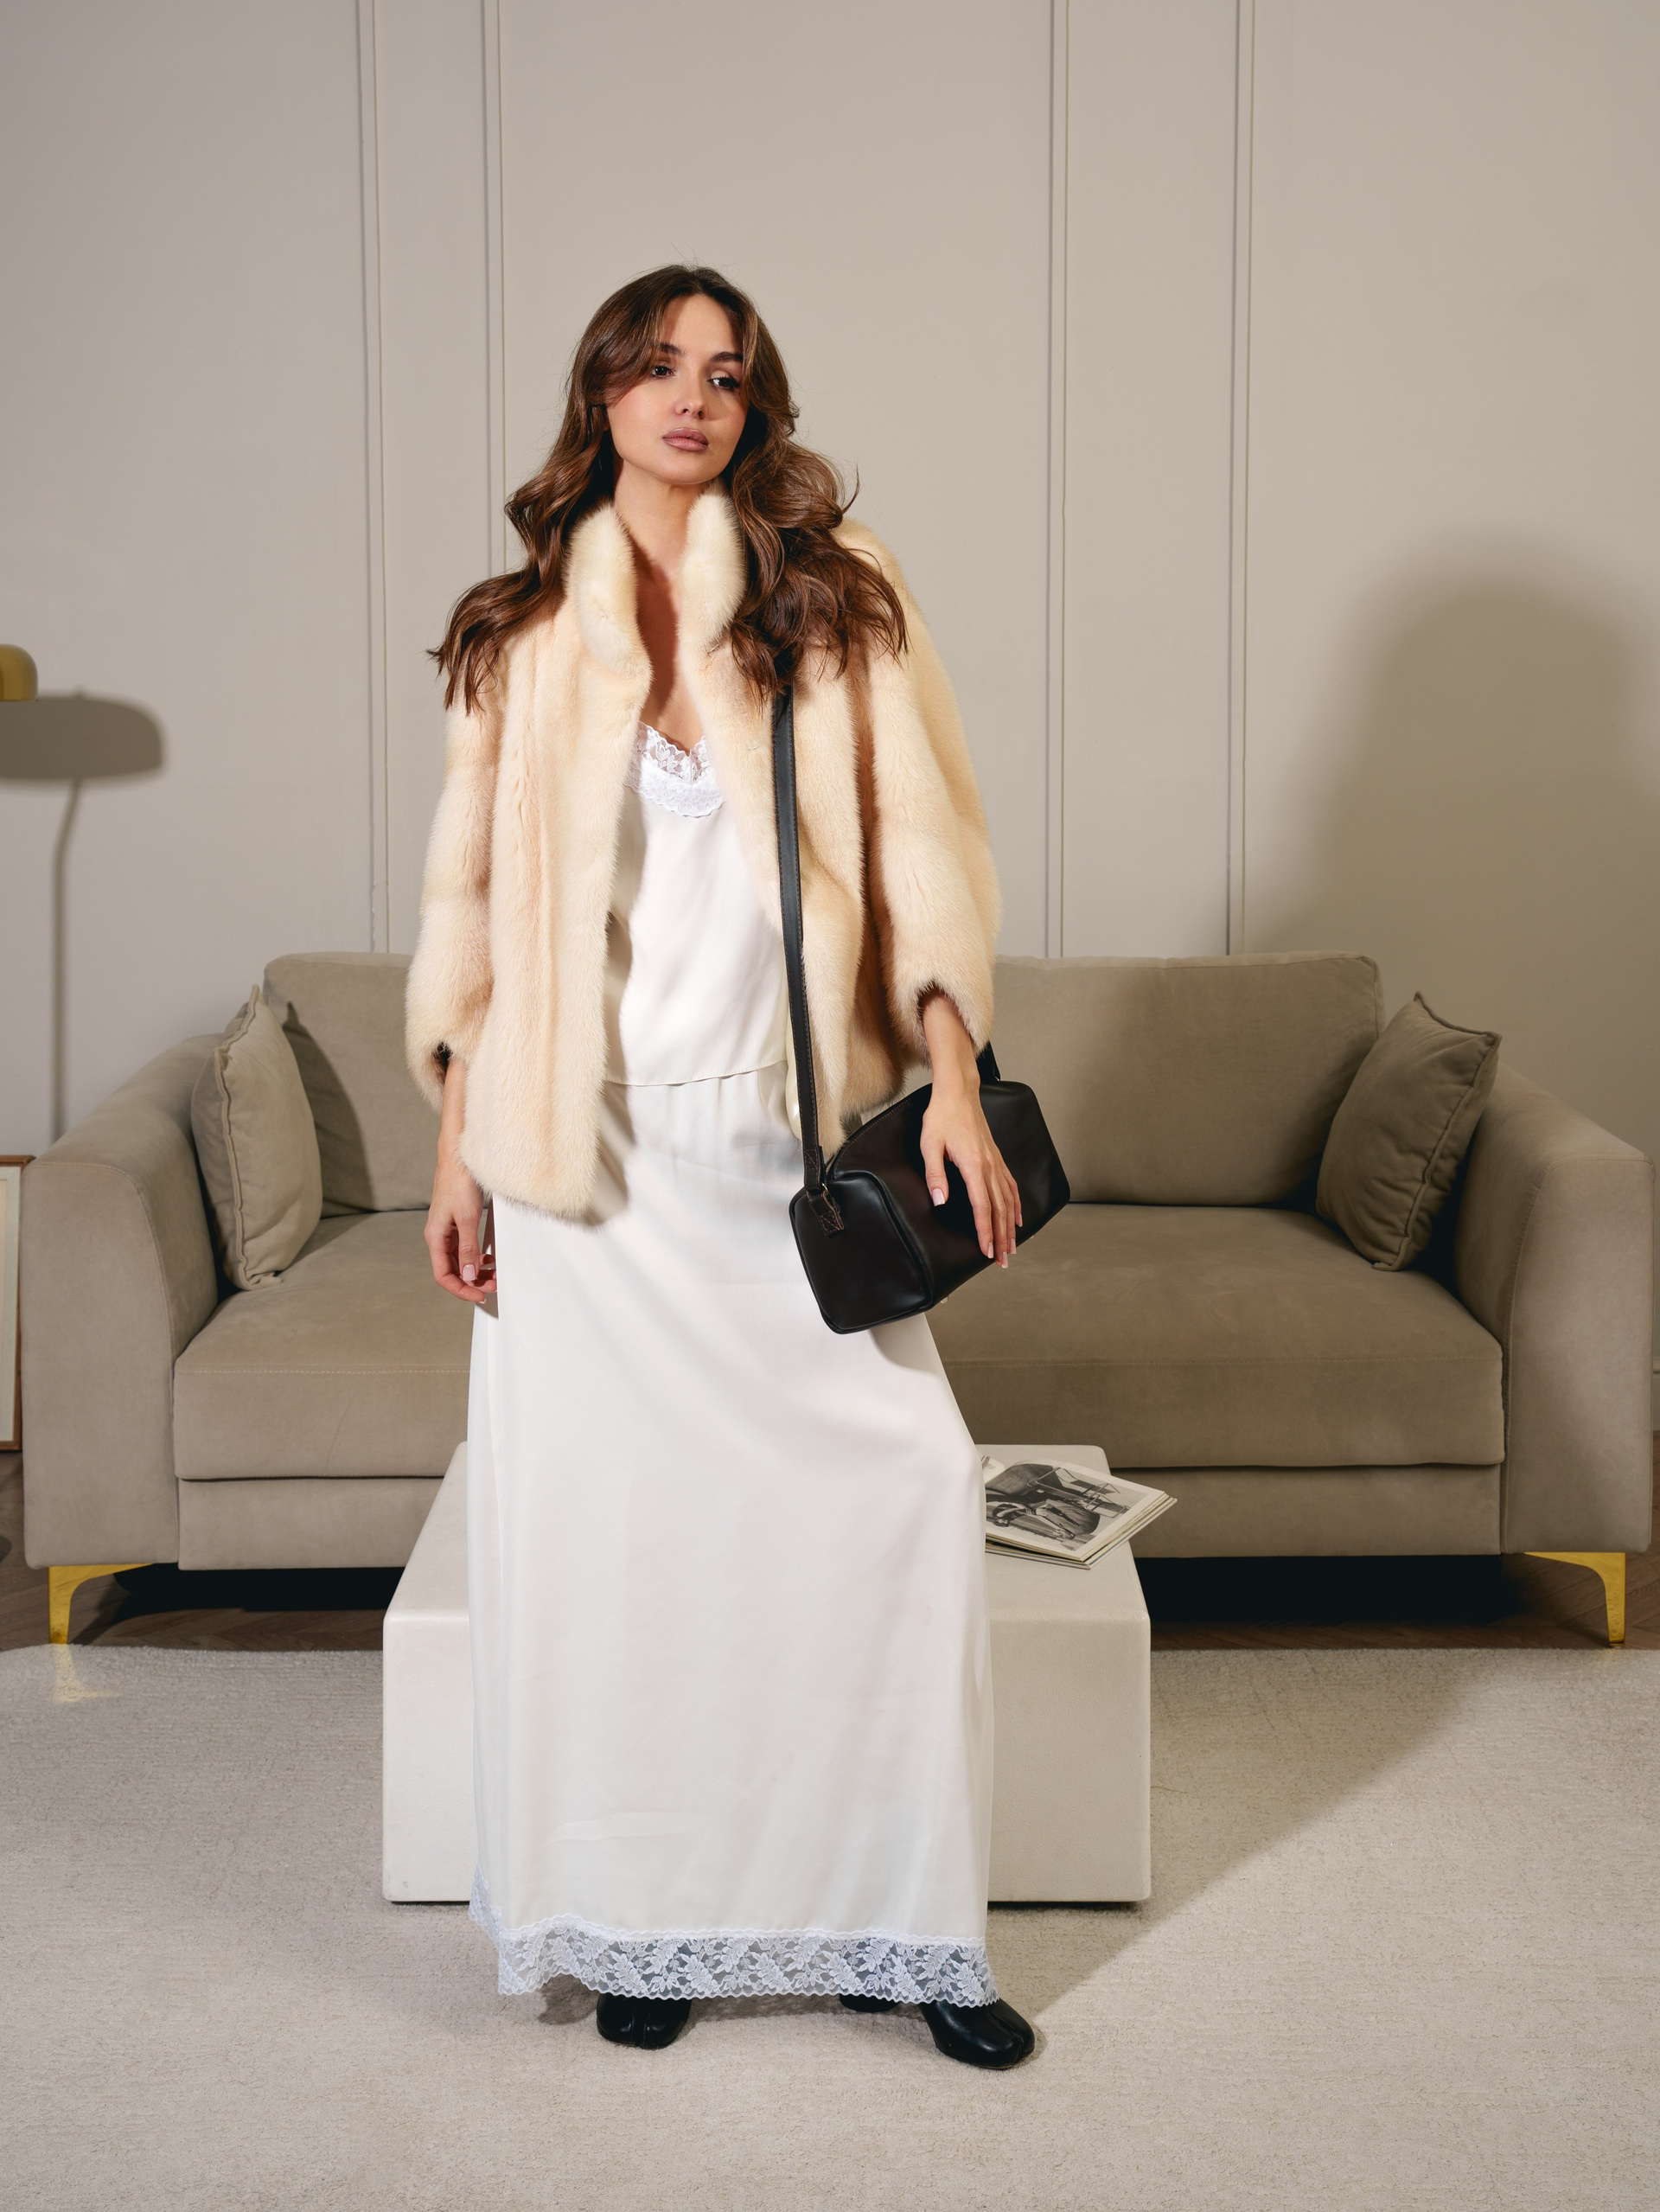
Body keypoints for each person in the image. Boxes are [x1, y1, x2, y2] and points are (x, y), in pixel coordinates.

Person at [407, 264, 1036, 2070]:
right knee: (630, 1570)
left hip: (773, 1147)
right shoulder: (520, 630)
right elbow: (474, 922)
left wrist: (952, 1077)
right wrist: (456, 1152)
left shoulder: (835, 595)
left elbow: (923, 850)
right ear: (601, 391)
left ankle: (911, 1936)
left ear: (757, 405)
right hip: (585, 1173)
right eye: (659, 364)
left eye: (728, 372)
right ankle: (649, 1921)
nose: (694, 395)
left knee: (903, 1497)